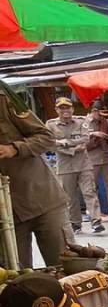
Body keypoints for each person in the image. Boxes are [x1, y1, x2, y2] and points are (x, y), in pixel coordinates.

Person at [0, 87, 68, 267]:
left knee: (64, 267)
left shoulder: (4, 99)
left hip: (41, 198)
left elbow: (46, 137)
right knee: (18, 279)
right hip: (6, 214)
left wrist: (14, 148)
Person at [47, 97, 103, 235]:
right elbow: (49, 144)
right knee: (70, 197)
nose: (65, 110)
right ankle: (75, 223)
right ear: (57, 110)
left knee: (89, 192)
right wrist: (71, 148)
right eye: (62, 108)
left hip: (83, 163)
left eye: (68, 107)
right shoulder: (50, 125)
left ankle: (96, 221)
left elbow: (85, 139)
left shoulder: (81, 121)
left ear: (72, 109)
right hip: (65, 166)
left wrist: (64, 142)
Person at [84, 101, 108, 218]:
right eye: (100, 113)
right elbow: (81, 140)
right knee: (91, 186)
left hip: (106, 156)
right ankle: (92, 212)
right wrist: (94, 135)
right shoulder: (85, 122)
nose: (102, 117)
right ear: (94, 112)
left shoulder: (105, 122)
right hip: (92, 157)